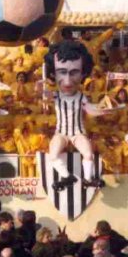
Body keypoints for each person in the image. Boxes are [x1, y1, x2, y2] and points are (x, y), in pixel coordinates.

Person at [42, 40, 108, 190]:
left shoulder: (80, 96)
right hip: (61, 133)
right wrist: (41, 89)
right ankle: (66, 176)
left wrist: (103, 109)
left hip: (78, 132)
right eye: (62, 72)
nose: (67, 80)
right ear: (53, 73)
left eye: (74, 72)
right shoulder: (56, 95)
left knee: (88, 154)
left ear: (83, 74)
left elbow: (90, 109)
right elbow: (45, 96)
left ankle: (87, 179)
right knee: (53, 155)